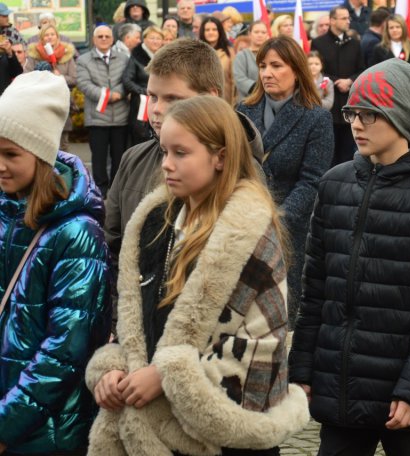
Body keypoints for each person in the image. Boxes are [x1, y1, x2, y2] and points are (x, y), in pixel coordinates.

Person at [85, 95, 309, 456]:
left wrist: (165, 377)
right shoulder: (154, 222)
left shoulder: (250, 235)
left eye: (180, 153)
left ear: (219, 157)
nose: (166, 165)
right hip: (146, 432)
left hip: (219, 440)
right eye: (164, 152)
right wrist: (118, 369)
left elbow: (261, 349)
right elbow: (134, 320)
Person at [289, 58, 410, 456]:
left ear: (401, 116)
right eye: (353, 112)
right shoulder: (334, 185)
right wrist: (302, 369)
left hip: (404, 398)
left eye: (370, 114)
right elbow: (315, 290)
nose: (356, 123)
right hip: (340, 388)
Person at [104, 39, 264, 334]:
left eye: (173, 99)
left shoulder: (240, 171)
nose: (156, 110)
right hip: (137, 335)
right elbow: (112, 250)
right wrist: (120, 329)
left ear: (211, 98)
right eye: (152, 96)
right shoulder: (132, 160)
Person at [0, 71, 111, 455]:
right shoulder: (5, 209)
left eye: (11, 154)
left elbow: (65, 349)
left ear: (42, 153)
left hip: (46, 428)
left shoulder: (76, 233)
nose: (0, 165)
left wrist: (6, 423)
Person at [237, 36, 333, 328]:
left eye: (276, 65)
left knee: (275, 319)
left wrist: (276, 219)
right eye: (262, 65)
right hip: (241, 225)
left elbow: (311, 181)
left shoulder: (315, 118)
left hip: (287, 230)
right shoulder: (242, 110)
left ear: (296, 69)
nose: (266, 73)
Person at [77, 25, 129, 198]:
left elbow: (127, 79)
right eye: (100, 36)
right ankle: (100, 192)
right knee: (98, 160)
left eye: (107, 36)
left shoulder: (123, 58)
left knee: (118, 158)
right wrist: (106, 95)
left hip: (120, 117)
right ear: (94, 39)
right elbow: (84, 84)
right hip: (97, 119)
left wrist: (119, 93)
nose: (104, 39)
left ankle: (116, 192)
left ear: (112, 39)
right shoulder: (83, 60)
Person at [311, 6, 365, 165]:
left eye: (348, 18)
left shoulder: (355, 43)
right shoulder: (319, 43)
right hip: (328, 103)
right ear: (332, 20)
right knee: (329, 152)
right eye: (344, 18)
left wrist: (350, 81)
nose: (348, 21)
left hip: (350, 104)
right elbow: (315, 69)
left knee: (348, 152)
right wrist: (336, 81)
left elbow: (362, 69)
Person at [25, 25, 77, 151]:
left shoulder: (67, 55)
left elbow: (74, 79)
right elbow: (27, 77)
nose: (50, 37)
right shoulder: (34, 55)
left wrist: (60, 78)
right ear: (41, 38)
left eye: (52, 34)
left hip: (61, 104)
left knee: (63, 146)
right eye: (46, 35)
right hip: (40, 104)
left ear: (57, 37)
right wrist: (43, 77)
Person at [123, 25, 164, 146]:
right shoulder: (136, 55)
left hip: (159, 103)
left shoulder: (164, 56)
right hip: (140, 104)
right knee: (140, 139)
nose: (155, 41)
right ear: (144, 39)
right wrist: (144, 91)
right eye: (152, 38)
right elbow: (127, 80)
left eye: (158, 38)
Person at [201, 16, 236, 105]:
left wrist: (233, 104)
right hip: (202, 102)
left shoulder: (229, 52)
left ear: (219, 31)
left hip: (225, 101)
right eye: (207, 30)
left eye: (214, 29)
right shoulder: (197, 52)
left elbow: (234, 80)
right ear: (203, 32)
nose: (211, 32)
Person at [234, 21, 269, 100]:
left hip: (270, 101)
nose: (260, 35)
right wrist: (260, 89)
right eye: (256, 32)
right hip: (248, 101)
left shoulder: (272, 55)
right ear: (249, 34)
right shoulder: (242, 55)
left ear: (267, 35)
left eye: (263, 32)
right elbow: (240, 79)